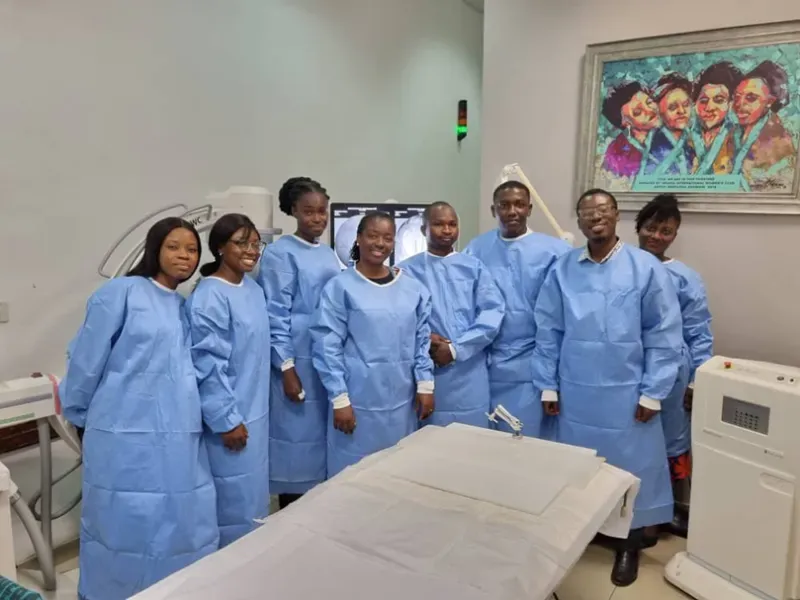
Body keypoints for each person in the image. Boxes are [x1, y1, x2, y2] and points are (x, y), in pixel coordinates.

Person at [60, 217, 218, 600]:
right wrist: (79, 414)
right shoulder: (121, 293)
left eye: (192, 249)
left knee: (177, 520)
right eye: (174, 246)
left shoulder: (183, 306)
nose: (185, 255)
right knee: (121, 523)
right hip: (122, 434)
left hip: (178, 434)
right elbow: (86, 359)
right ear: (154, 249)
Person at [532, 189, 683, 586]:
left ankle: (629, 546)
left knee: (629, 471)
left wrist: (653, 392)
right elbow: (548, 329)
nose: (594, 218)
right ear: (579, 221)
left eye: (602, 210)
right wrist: (548, 386)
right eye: (586, 212)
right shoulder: (564, 269)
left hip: (627, 394)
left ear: (616, 215)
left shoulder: (644, 268)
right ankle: (584, 535)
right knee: (581, 469)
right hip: (576, 393)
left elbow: (664, 333)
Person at [310, 211, 435, 477]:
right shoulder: (340, 288)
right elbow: (326, 346)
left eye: (387, 237)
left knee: (396, 473)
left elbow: (421, 340)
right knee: (353, 478)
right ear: (359, 239)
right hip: (357, 403)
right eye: (372, 235)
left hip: (402, 404)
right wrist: (340, 399)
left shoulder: (413, 289)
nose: (380, 243)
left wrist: (425, 384)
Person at [186, 213, 271, 547]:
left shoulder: (252, 289)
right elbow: (207, 365)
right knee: (232, 500)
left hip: (256, 413)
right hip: (231, 420)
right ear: (220, 248)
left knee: (253, 498)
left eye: (255, 243)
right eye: (241, 243)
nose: (251, 250)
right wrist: (225, 419)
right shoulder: (209, 296)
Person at [257, 177, 341, 509]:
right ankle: (291, 513)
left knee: (319, 440)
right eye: (309, 212)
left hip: (325, 356)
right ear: (294, 211)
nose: (318, 219)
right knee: (295, 441)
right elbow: (276, 314)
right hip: (297, 356)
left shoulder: (328, 254)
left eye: (322, 212)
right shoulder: (280, 254)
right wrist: (287, 368)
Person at [464, 181, 570, 439]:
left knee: (527, 442)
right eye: (504, 205)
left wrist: (549, 381)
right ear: (493, 210)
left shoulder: (555, 252)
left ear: (529, 209)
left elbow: (560, 317)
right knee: (486, 443)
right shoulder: (475, 250)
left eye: (519, 204)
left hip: (533, 366)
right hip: (486, 364)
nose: (512, 211)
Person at [636, 194, 713, 538]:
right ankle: (632, 516)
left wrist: (697, 382)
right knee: (632, 442)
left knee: (669, 441)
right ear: (638, 226)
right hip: (626, 370)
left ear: (675, 235)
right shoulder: (621, 268)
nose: (656, 236)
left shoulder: (685, 277)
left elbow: (699, 332)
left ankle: (664, 513)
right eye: (651, 228)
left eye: (665, 231)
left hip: (673, 376)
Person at [397, 202, 505, 427]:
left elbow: (492, 312)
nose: (447, 230)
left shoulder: (473, 267)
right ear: (423, 229)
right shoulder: (406, 271)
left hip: (470, 372)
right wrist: (426, 338)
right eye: (438, 224)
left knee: (471, 442)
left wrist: (456, 349)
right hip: (428, 369)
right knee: (430, 444)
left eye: (452, 224)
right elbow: (398, 318)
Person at [732, 60, 796, 191]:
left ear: (770, 101)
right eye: (737, 97)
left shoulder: (778, 142)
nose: (739, 104)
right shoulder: (734, 132)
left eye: (751, 98)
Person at [600, 81, 662, 182]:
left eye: (649, 102)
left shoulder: (673, 132)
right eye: (638, 112)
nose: (650, 110)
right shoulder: (616, 152)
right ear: (625, 122)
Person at [691, 62, 741, 175]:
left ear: (730, 104)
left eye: (719, 100)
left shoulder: (738, 138)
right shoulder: (685, 138)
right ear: (695, 104)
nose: (709, 108)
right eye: (703, 101)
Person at [648, 73, 698, 176]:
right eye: (672, 107)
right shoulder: (654, 148)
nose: (681, 111)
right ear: (658, 111)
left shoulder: (693, 140)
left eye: (686, 105)